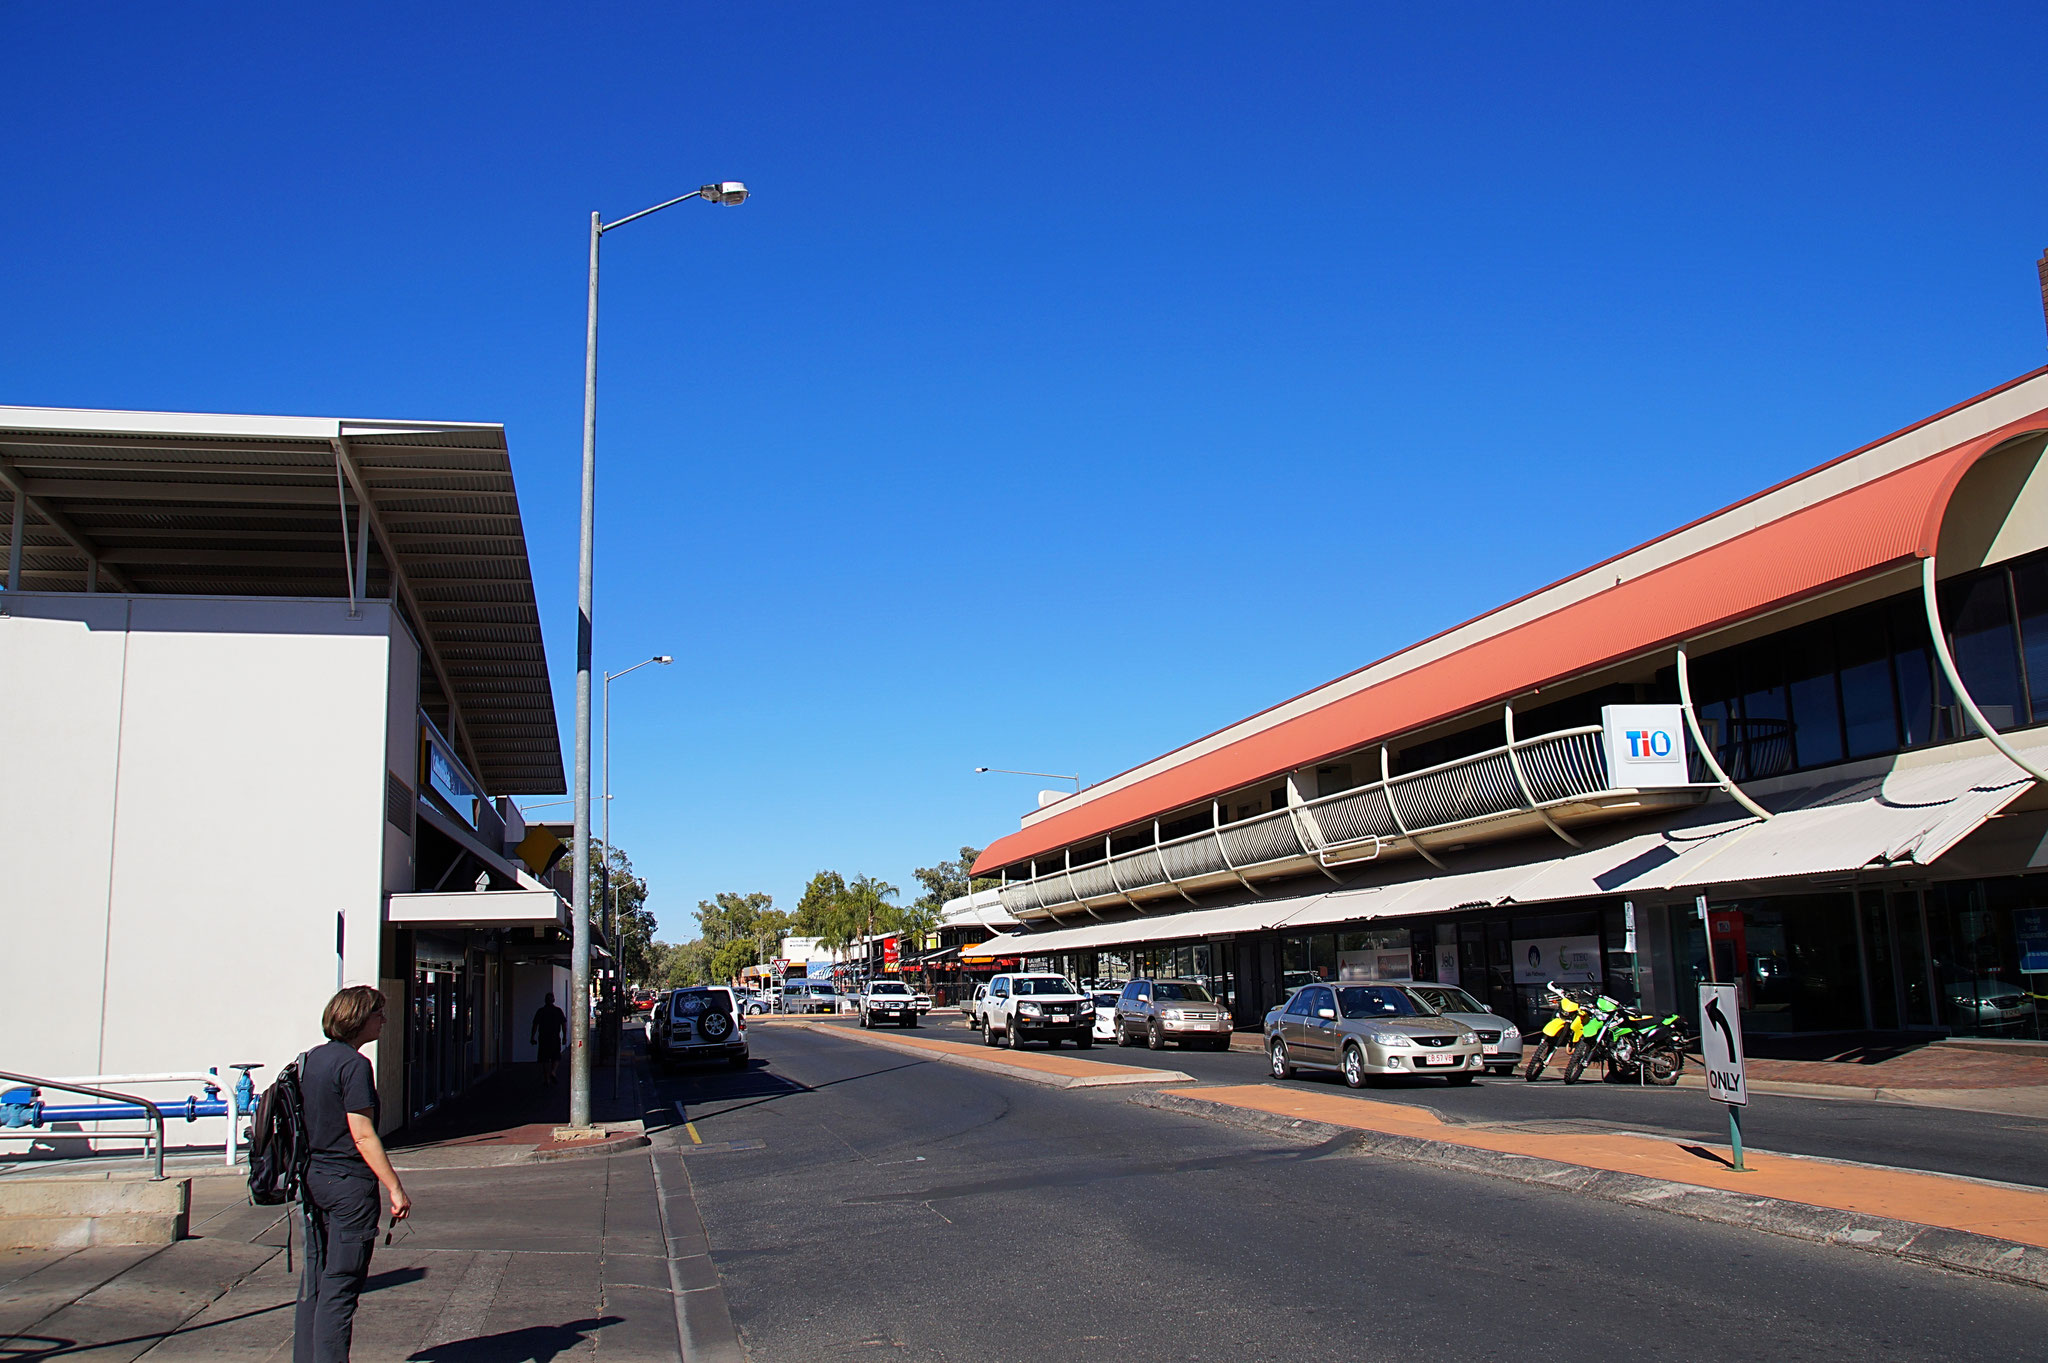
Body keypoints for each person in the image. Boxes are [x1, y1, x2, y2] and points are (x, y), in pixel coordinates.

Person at [295, 985, 411, 1363]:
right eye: (379, 1014)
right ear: (359, 1019)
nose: (384, 1020)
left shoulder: (310, 1060)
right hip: (347, 1185)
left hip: (313, 1179)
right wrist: (395, 1187)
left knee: (315, 1281)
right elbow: (362, 1134)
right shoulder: (354, 1066)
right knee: (341, 1286)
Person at [531, 992, 567, 1084]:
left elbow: (535, 1025)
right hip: (555, 1037)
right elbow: (563, 1024)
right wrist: (564, 1037)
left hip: (543, 1037)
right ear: (553, 1000)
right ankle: (553, 1071)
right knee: (556, 1056)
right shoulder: (558, 1011)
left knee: (544, 1058)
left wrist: (532, 1037)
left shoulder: (540, 1011)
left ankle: (547, 1078)